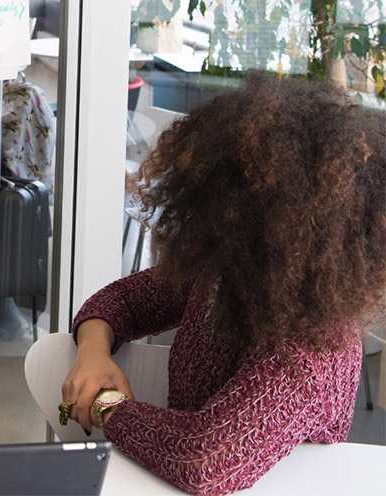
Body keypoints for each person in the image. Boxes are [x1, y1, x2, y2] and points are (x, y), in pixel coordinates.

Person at [61, 73, 386, 496]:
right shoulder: (226, 271)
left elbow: (204, 460)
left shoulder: (315, 346)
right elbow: (122, 299)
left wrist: (107, 407)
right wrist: (92, 355)